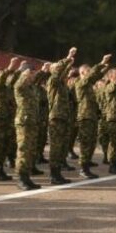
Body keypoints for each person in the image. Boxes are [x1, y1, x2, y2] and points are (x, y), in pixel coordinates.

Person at [46, 48, 76, 185]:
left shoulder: (62, 85)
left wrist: (69, 64)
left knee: (62, 146)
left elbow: (63, 73)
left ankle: (58, 172)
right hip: (56, 118)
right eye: (58, 68)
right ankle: (53, 174)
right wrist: (68, 57)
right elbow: (58, 73)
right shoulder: (52, 82)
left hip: (63, 118)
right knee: (56, 147)